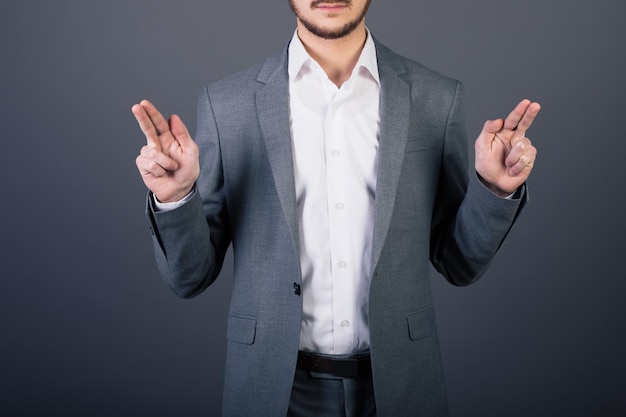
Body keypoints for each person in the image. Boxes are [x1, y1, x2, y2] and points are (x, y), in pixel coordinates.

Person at [132, 0, 540, 415]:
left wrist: (493, 188)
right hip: (274, 389)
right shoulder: (228, 105)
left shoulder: (436, 98)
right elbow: (190, 278)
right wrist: (176, 198)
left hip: (401, 386)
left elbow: (460, 264)